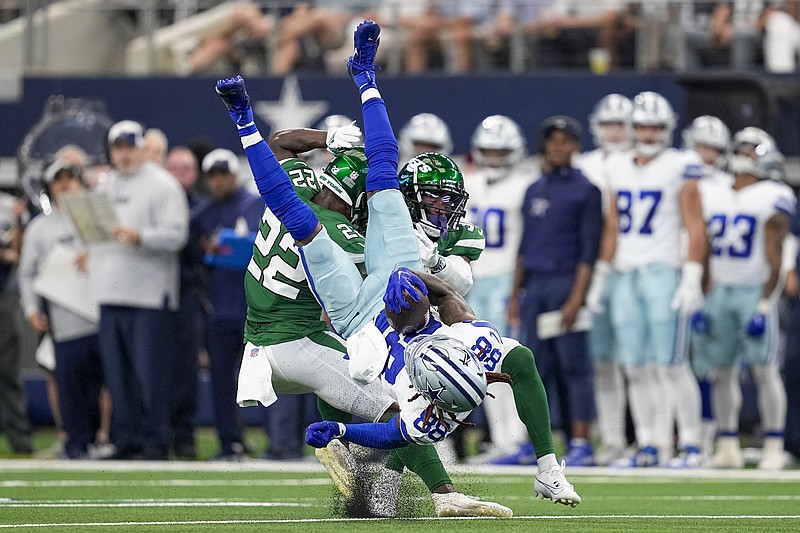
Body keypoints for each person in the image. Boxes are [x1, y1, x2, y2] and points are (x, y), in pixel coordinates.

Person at [216, 18, 578, 509]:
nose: (435, 210)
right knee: (380, 395)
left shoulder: (346, 214)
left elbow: (293, 183)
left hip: (377, 306)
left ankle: (363, 76)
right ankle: (424, 489)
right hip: (359, 319)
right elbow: (337, 189)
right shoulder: (351, 232)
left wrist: (248, 124)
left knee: (474, 364)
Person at [594, 92, 706, 467]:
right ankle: (649, 444)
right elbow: (612, 226)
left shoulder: (681, 164)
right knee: (635, 366)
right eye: (643, 125)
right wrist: (601, 277)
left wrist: (692, 275)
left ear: (668, 128)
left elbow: (695, 225)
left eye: (656, 126)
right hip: (625, 273)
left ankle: (690, 443)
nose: (648, 132)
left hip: (663, 271)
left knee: (671, 364)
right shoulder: (617, 165)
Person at [693, 127, 796, 470]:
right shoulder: (714, 191)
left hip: (755, 289)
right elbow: (704, 245)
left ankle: (773, 444)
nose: (744, 155)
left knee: (765, 370)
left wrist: (766, 302)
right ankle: (726, 445)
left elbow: (777, 253)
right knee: (721, 371)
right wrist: (702, 294)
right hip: (719, 290)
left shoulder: (772, 193)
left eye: (752, 150)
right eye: (741, 148)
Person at [88, 120, 189, 460]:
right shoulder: (105, 184)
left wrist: (141, 235)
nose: (124, 154)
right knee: (117, 377)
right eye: (118, 147)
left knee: (151, 373)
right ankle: (127, 438)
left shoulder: (163, 185)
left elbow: (177, 234)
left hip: (148, 295)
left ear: (142, 148)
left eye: (129, 146)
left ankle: (157, 439)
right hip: (109, 291)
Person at [507, 116, 601, 467]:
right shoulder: (534, 189)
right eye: (553, 141)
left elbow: (588, 252)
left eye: (565, 141)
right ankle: (537, 444)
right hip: (537, 287)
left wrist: (577, 297)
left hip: (565, 283)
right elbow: (524, 247)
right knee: (536, 368)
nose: (558, 147)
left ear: (576, 146)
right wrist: (515, 294)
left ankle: (581, 442)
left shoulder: (586, 190)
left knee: (575, 366)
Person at [17, 161, 105, 459]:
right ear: (50, 187)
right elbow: (27, 272)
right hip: (64, 319)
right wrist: (31, 308)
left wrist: (95, 254)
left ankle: (107, 438)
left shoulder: (97, 216)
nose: (66, 186)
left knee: (110, 383)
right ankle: (75, 442)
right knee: (69, 385)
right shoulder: (40, 228)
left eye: (71, 179)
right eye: (59, 181)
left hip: (104, 315)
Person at [462, 114, 533, 464]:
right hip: (473, 280)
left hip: (506, 278)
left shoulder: (523, 185)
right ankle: (503, 440)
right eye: (489, 150)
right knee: (481, 364)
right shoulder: (468, 182)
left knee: (507, 359)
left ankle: (516, 438)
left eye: (500, 151)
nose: (494, 157)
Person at [190, 148, 264, 460]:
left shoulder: (254, 204)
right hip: (219, 310)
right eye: (214, 177)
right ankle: (229, 442)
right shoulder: (201, 214)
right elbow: (191, 255)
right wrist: (206, 249)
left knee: (262, 378)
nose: (219, 182)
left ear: (234, 175)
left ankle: (279, 442)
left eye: (224, 175)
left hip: (254, 308)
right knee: (222, 380)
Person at [578, 93, 633, 465]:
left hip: (631, 269)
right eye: (608, 123)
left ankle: (643, 439)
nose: (614, 132)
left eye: (620, 124)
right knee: (600, 363)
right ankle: (610, 438)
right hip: (588, 268)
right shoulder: (583, 166)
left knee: (636, 362)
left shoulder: (642, 164)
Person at [165, 146, 205, 459]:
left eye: (186, 168)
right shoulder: (158, 203)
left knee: (187, 368)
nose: (179, 174)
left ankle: (185, 434)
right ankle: (159, 433)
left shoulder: (201, 210)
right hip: (156, 296)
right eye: (173, 167)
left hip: (189, 295)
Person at [0, 189, 33, 455]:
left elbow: (19, 253)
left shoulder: (9, 206)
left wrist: (20, 223)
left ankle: (19, 438)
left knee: (8, 370)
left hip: (3, 295)